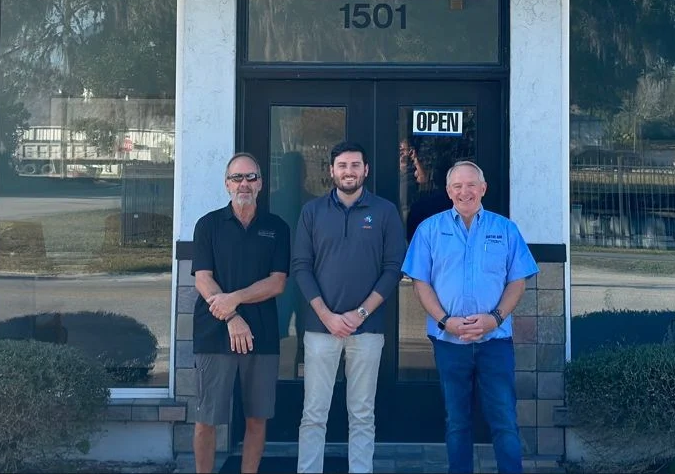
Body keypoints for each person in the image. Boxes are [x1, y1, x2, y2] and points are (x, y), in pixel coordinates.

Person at [401, 159, 538, 474]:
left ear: (483, 188)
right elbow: (421, 283)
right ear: (449, 191)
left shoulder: (505, 229)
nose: (465, 192)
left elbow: (517, 281)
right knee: (457, 422)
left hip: (495, 342)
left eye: (471, 185)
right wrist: (445, 321)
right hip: (449, 342)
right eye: (458, 186)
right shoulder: (429, 230)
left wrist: (495, 318)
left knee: (505, 420)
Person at [292, 141, 407, 474]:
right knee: (313, 414)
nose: (349, 171)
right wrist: (326, 316)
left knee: (362, 414)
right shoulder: (312, 212)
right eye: (342, 165)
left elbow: (393, 268)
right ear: (331, 171)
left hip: (367, 329)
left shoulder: (385, 212)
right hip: (320, 329)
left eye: (355, 165)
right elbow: (301, 266)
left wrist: (360, 314)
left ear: (365, 170)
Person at [191, 153, 290, 474]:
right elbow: (203, 279)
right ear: (227, 184)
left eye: (250, 177)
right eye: (237, 178)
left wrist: (233, 299)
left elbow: (277, 283)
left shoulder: (277, 227)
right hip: (213, 332)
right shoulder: (208, 225)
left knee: (257, 418)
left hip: (262, 334)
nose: (244, 184)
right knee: (207, 418)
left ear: (260, 183)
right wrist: (232, 317)